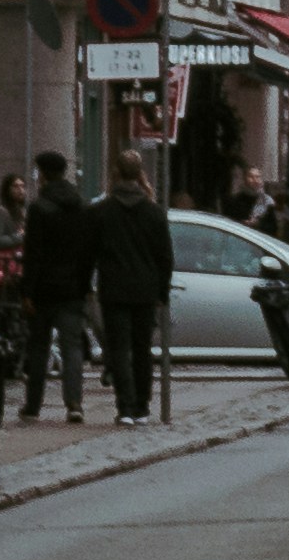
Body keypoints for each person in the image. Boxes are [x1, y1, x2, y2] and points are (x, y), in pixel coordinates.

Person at [11, 155, 99, 419]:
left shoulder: (39, 209)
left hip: (43, 290)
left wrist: (27, 291)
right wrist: (84, 285)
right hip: (72, 288)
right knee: (72, 347)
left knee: (38, 347)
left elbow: (33, 253)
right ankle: (74, 404)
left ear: (44, 175)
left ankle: (33, 405)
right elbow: (88, 253)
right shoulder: (81, 207)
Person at [95, 153, 175, 420]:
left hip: (114, 290)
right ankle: (142, 406)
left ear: (116, 173)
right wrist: (162, 292)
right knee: (142, 349)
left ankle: (125, 406)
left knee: (119, 349)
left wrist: (86, 284)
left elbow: (90, 252)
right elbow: (165, 256)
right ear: (140, 174)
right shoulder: (153, 212)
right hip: (145, 290)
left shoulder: (103, 211)